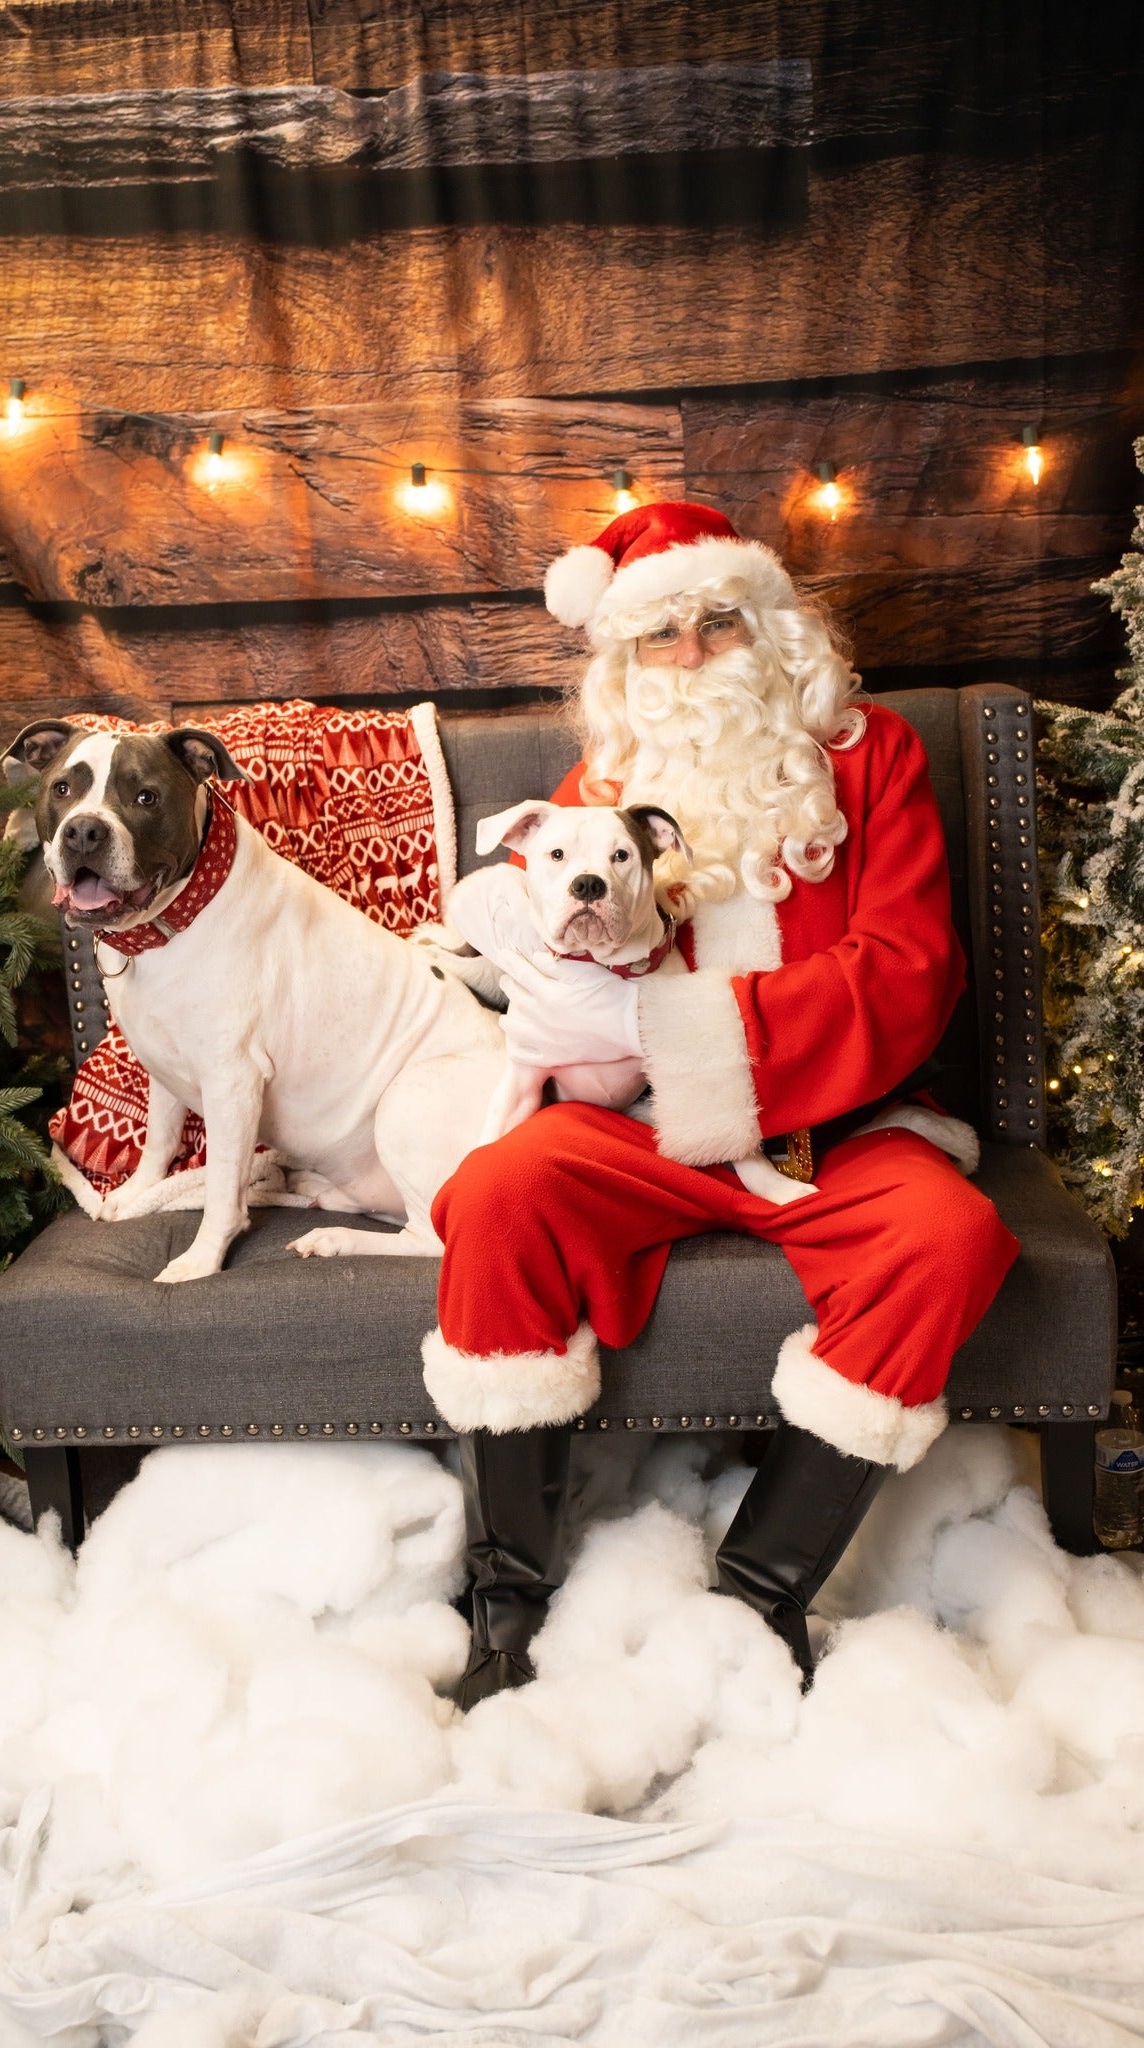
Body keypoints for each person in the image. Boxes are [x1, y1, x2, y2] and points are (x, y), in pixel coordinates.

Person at [420, 501, 1021, 1707]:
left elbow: (910, 970)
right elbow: (542, 946)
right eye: (661, 634)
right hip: (643, 1127)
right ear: (625, 658)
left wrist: (675, 1027)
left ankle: (759, 1596)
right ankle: (507, 1605)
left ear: (773, 628)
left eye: (718, 622)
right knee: (496, 1192)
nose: (691, 655)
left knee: (949, 1239)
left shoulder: (871, 756)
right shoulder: (601, 785)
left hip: (836, 1129)